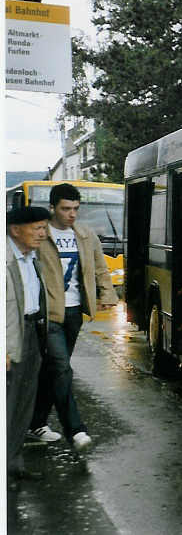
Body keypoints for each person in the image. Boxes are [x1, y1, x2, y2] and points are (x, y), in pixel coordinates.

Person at [27, 183, 118, 451]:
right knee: (62, 368)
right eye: (66, 209)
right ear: (53, 208)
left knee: (52, 370)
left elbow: (100, 268)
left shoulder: (86, 235)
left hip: (75, 312)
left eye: (76, 209)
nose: (72, 214)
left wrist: (107, 295)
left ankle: (35, 423)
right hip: (49, 313)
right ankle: (76, 431)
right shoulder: (39, 235)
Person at [7, 206, 51, 487]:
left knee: (24, 404)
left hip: (33, 332)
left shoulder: (31, 257)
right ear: (15, 230)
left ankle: (13, 463)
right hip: (11, 338)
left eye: (44, 228)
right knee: (6, 407)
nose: (43, 233)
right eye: (37, 228)